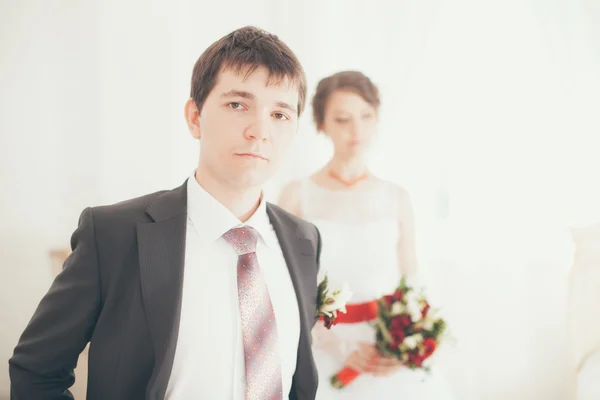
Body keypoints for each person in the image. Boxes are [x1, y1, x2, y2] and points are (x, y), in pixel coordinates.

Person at [9, 26, 321, 400]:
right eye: (237, 104)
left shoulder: (305, 240)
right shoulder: (113, 233)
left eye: (280, 114)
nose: (260, 130)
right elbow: (36, 372)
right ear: (194, 116)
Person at [279, 71, 453, 399]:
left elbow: (411, 280)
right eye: (343, 119)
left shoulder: (397, 197)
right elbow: (286, 288)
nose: (356, 130)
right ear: (321, 123)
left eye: (366, 116)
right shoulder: (296, 196)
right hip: (323, 344)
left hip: (384, 346)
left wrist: (408, 345)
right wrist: (334, 344)